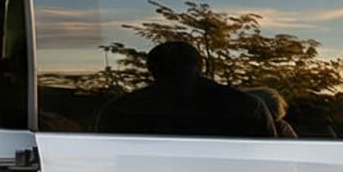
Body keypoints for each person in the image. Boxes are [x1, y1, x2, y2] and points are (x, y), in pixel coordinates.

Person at [98, 40, 272, 137]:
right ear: (201, 67)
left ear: (151, 69)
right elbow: (269, 158)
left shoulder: (119, 110)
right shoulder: (248, 107)